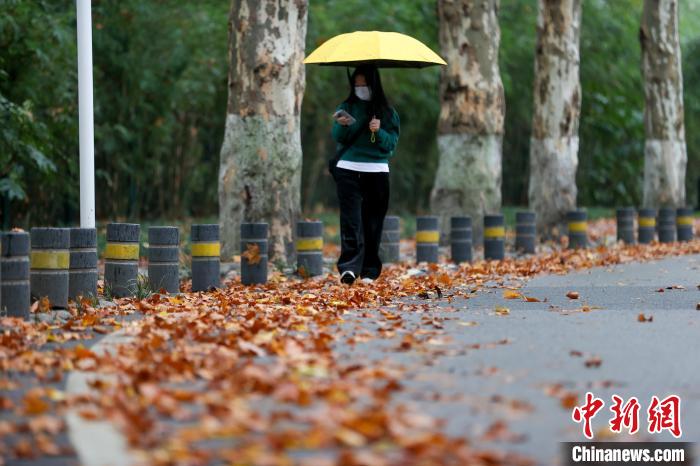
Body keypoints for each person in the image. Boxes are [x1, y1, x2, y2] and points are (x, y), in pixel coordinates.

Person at [330, 65, 400, 285]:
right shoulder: (347, 106)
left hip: (377, 172)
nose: (360, 88)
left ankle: (369, 270)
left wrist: (378, 131)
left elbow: (390, 146)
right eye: (357, 84)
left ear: (374, 84)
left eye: (364, 85)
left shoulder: (387, 112)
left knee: (372, 222)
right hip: (348, 168)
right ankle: (349, 268)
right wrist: (341, 125)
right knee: (350, 220)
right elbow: (338, 137)